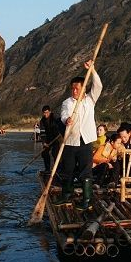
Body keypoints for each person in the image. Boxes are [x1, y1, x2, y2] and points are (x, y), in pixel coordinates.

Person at [54, 60, 102, 211]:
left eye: (77, 88)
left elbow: (98, 86)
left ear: (83, 88)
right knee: (67, 169)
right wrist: (67, 119)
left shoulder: (90, 100)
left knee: (85, 171)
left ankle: (87, 199)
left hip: (86, 141)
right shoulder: (67, 103)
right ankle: (66, 195)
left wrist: (92, 70)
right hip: (70, 140)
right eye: (72, 88)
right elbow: (63, 115)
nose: (74, 91)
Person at [39, 105, 64, 171]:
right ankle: (47, 169)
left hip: (57, 138)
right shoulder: (42, 121)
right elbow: (42, 132)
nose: (45, 114)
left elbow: (62, 126)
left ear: (50, 112)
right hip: (48, 138)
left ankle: (58, 169)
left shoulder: (56, 118)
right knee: (44, 153)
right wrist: (44, 142)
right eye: (44, 113)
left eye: (47, 112)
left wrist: (61, 133)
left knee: (55, 153)